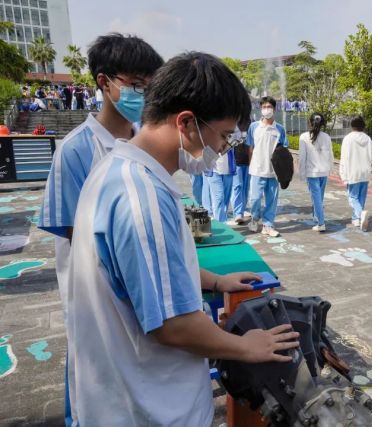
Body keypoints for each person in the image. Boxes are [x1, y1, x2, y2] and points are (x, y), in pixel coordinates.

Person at [66, 51, 300, 426]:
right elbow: (172, 324)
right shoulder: (140, 195)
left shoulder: (119, 170)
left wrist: (214, 281)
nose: (225, 147)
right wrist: (245, 347)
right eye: (223, 135)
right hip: (150, 409)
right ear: (187, 122)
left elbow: (146, 272)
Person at [37, 33, 164, 427]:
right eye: (135, 84)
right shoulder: (76, 150)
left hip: (135, 289)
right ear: (104, 82)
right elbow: (82, 239)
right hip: (97, 294)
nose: (142, 94)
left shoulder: (143, 141)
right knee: (91, 382)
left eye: (149, 86)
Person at [246, 95, 288, 237]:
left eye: (269, 107)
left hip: (273, 172)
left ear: (274, 109)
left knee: (272, 200)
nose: (266, 109)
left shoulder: (280, 129)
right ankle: (254, 218)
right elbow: (251, 147)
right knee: (255, 198)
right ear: (260, 109)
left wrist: (285, 171)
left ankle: (268, 225)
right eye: (264, 107)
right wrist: (250, 164)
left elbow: (284, 150)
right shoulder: (254, 127)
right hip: (257, 169)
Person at [339, 115, 372, 231]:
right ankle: (357, 219)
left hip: (352, 173)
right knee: (361, 197)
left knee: (352, 197)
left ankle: (360, 214)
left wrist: (343, 174)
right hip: (365, 173)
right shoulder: (367, 138)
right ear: (363, 126)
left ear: (352, 125)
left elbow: (344, 158)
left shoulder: (348, 138)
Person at [298, 113, 334, 232]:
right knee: (319, 197)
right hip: (324, 171)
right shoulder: (326, 136)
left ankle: (321, 222)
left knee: (316, 197)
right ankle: (317, 217)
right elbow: (331, 154)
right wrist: (330, 168)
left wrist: (302, 173)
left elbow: (302, 157)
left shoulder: (304, 136)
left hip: (312, 173)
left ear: (309, 122)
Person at [203, 133, 237, 222]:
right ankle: (221, 223)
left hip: (228, 170)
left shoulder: (231, 132)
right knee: (218, 198)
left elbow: (235, 141)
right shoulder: (209, 133)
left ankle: (223, 219)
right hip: (213, 171)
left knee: (225, 199)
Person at [231, 118, 251, 224]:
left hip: (247, 161)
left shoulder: (249, 123)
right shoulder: (231, 123)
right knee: (237, 186)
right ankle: (238, 213)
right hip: (236, 161)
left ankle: (242, 210)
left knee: (245, 187)